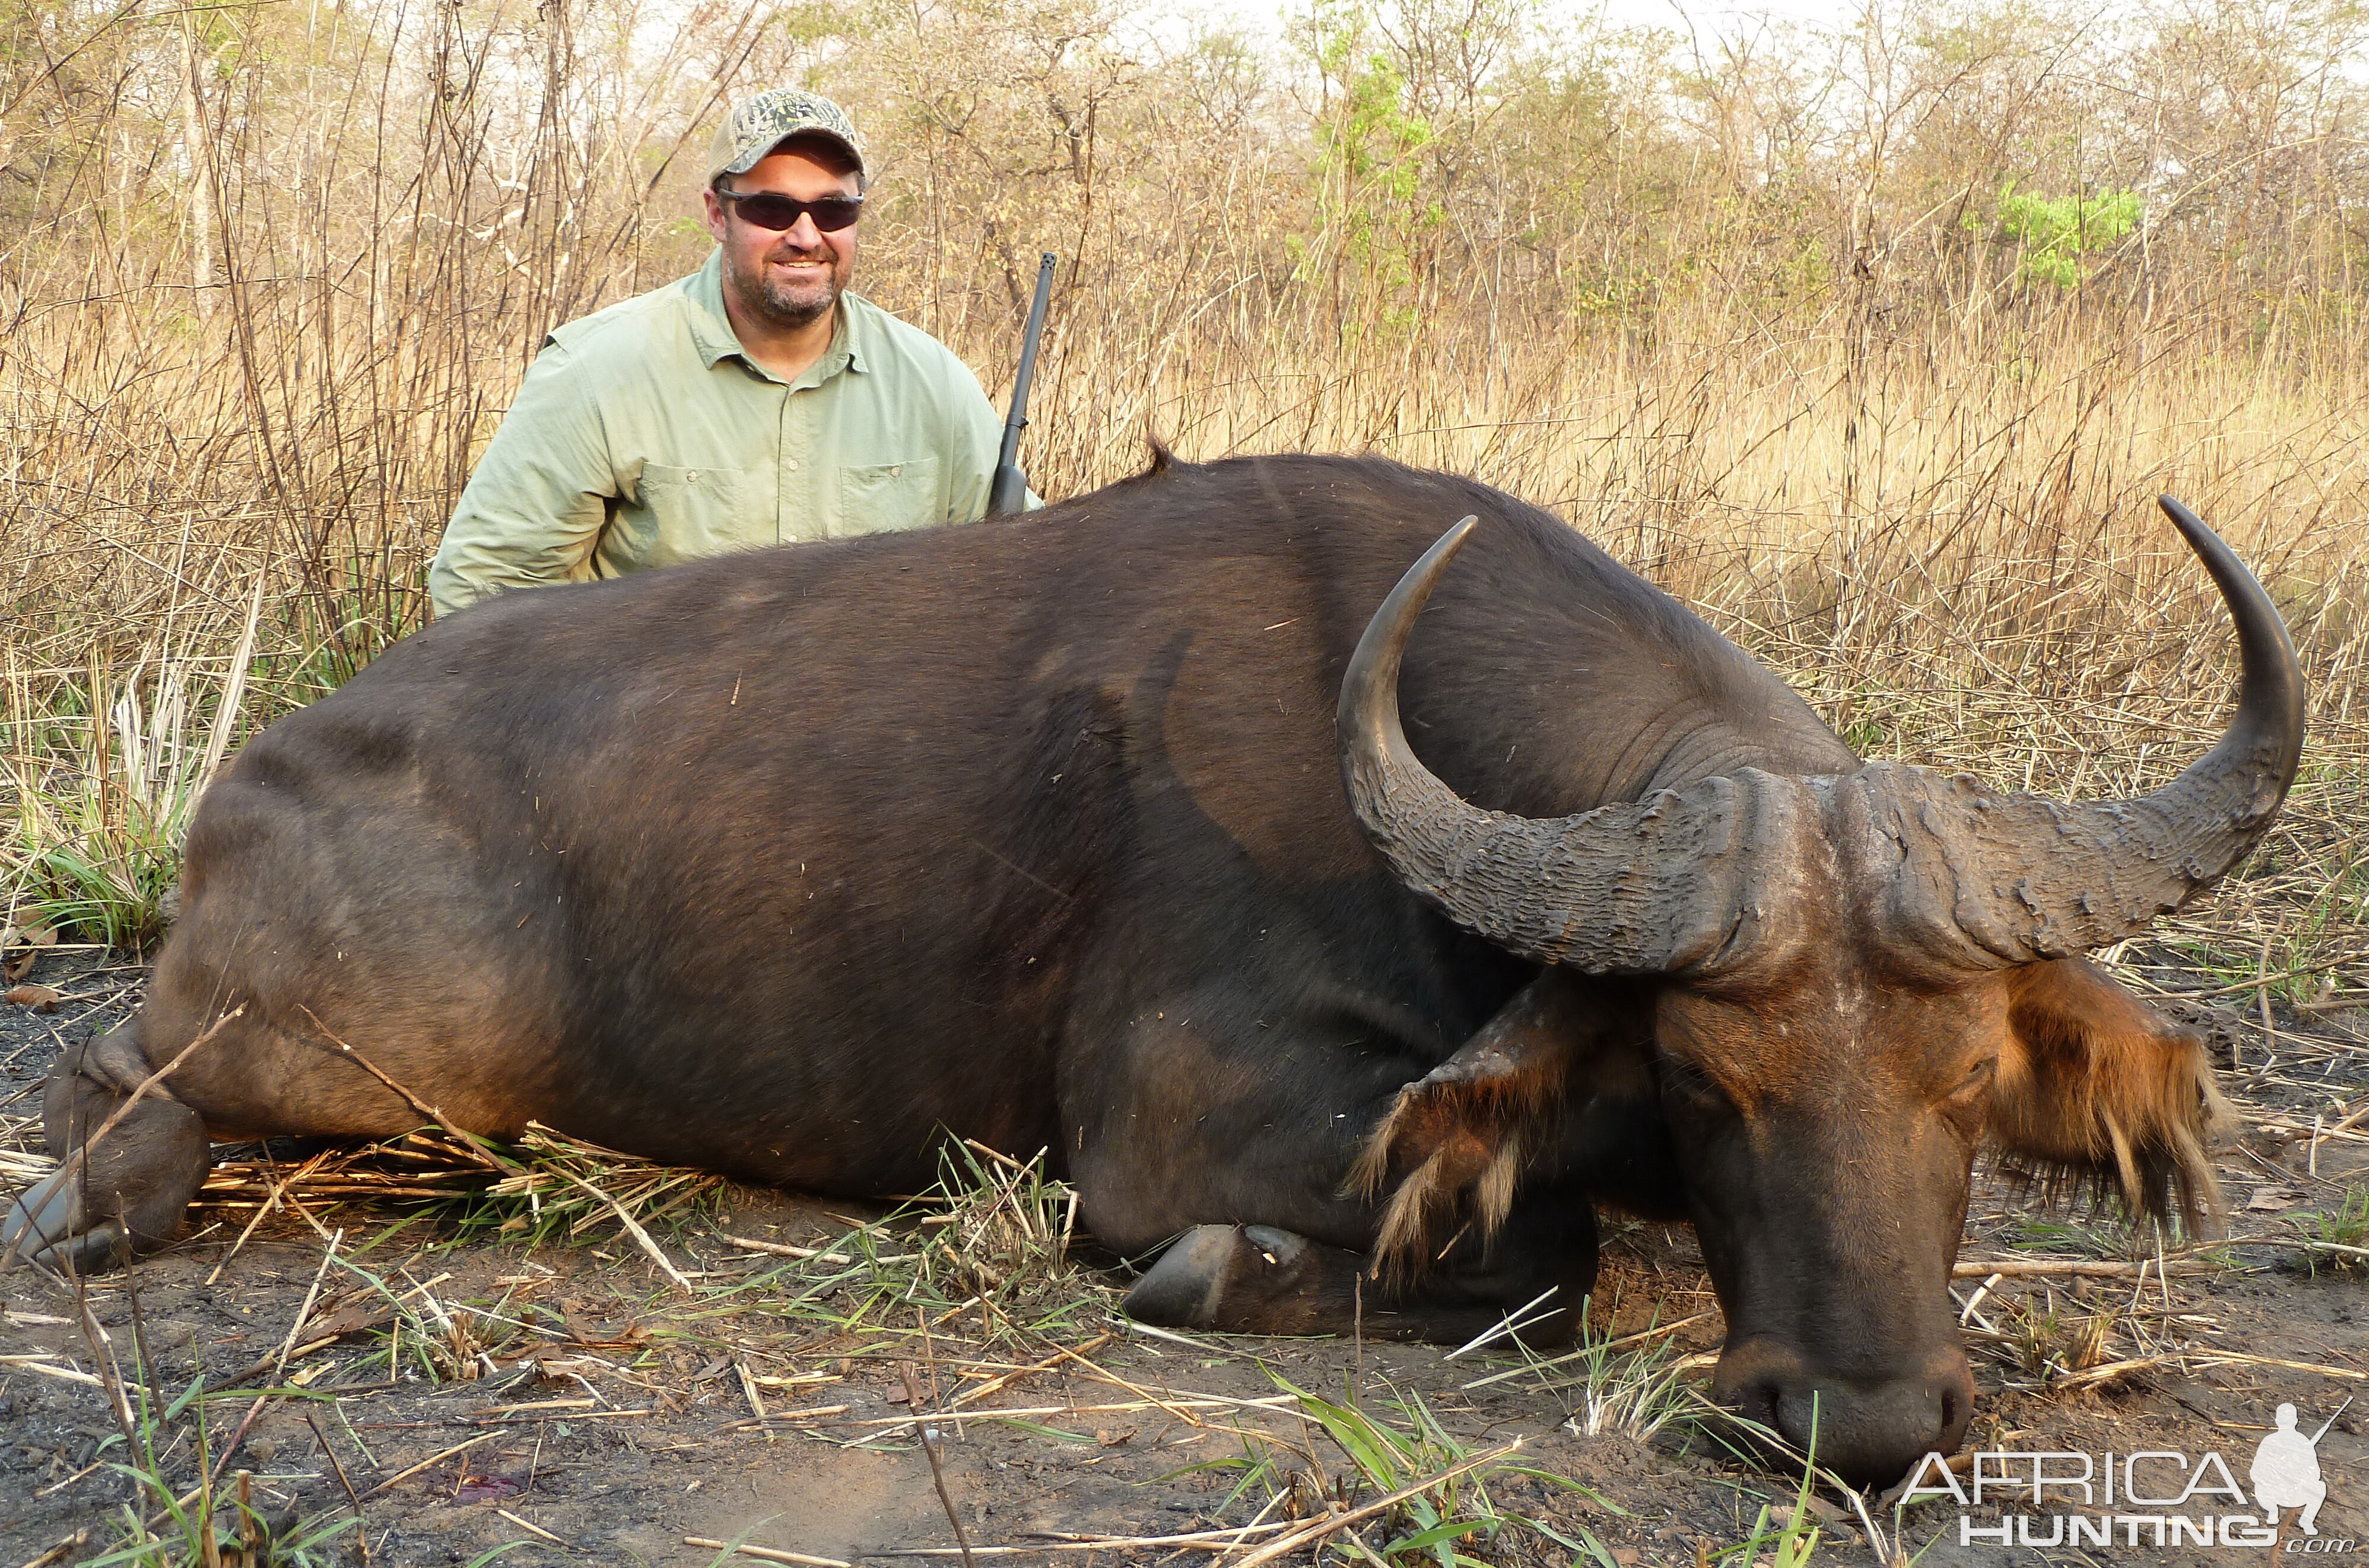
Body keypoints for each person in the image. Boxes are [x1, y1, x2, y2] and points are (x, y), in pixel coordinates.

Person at [428, 89, 1015, 618]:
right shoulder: (598, 369)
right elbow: (483, 589)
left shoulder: (934, 384)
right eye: (772, 209)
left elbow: (1018, 583)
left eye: (834, 211)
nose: (806, 236)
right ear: (716, 212)